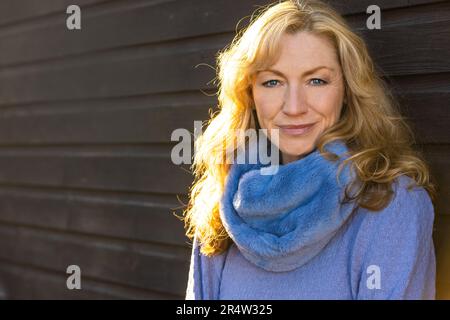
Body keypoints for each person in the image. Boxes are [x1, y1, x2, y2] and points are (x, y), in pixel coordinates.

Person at [182, 0, 436, 299]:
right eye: (273, 81)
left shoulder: (390, 204)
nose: (294, 107)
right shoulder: (224, 199)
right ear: (250, 94)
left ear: (347, 91)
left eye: (317, 80)